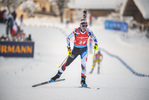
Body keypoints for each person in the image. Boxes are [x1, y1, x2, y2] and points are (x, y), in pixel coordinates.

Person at [49, 19, 98, 87]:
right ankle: (57, 75)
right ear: (80, 25)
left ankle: (83, 81)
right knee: (67, 63)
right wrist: (68, 48)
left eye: (86, 25)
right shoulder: (76, 31)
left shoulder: (88, 31)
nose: (85, 27)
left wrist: (96, 44)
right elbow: (68, 38)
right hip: (75, 50)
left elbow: (94, 38)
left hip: (84, 50)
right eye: (83, 25)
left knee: (83, 64)